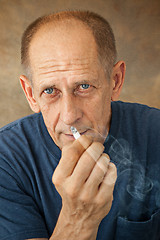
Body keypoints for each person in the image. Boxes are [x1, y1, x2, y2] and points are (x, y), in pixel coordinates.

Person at [0, 10, 160, 240]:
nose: (69, 116)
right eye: (49, 91)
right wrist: (78, 219)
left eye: (84, 86)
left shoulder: (155, 132)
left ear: (115, 80)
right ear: (30, 94)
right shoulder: (6, 160)